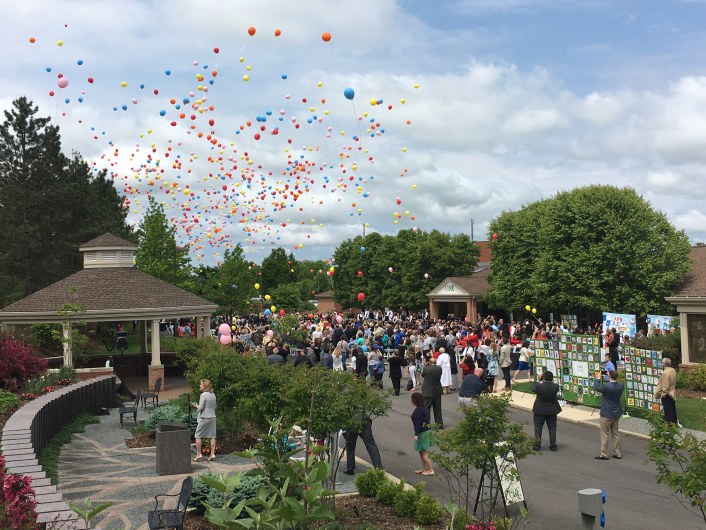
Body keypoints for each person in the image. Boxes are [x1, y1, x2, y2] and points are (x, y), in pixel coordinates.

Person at [594, 370, 624, 460]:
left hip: (606, 412)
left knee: (604, 434)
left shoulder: (606, 387)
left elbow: (597, 388)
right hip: (616, 412)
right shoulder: (621, 386)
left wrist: (598, 378)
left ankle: (604, 454)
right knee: (615, 433)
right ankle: (618, 453)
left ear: (609, 376)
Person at [531, 371, 561, 451]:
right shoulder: (556, 386)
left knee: (538, 428)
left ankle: (537, 445)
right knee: (552, 428)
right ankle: (553, 445)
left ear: (543, 377)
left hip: (540, 410)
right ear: (552, 378)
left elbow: (533, 389)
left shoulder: (539, 386)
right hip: (552, 410)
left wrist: (539, 380)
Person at [192, 379, 217, 462]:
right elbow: (214, 406)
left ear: (205, 386)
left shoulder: (203, 395)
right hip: (212, 417)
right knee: (212, 436)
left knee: (198, 435)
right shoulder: (213, 394)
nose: (200, 385)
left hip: (204, 417)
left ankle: (198, 454)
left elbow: (201, 408)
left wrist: (196, 406)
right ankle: (212, 454)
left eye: (201, 384)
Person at [410, 392, 434, 476]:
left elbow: (419, 423)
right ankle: (423, 468)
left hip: (422, 432)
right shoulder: (422, 408)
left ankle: (430, 469)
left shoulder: (418, 410)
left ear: (414, 400)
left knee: (424, 453)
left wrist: (416, 434)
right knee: (421, 452)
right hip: (426, 431)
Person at [421, 357, 444, 429]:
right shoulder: (439, 368)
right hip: (437, 390)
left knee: (427, 408)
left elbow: (423, 375)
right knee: (437, 408)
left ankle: (427, 424)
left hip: (427, 390)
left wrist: (425, 366)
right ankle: (439, 423)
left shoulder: (426, 369)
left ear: (429, 362)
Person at [655, 357, 678, 425]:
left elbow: (665, 386)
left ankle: (669, 424)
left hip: (667, 394)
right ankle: (674, 422)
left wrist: (663, 395)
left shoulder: (665, 372)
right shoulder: (673, 370)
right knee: (672, 408)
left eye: (662, 362)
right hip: (672, 392)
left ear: (664, 364)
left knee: (667, 409)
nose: (661, 364)